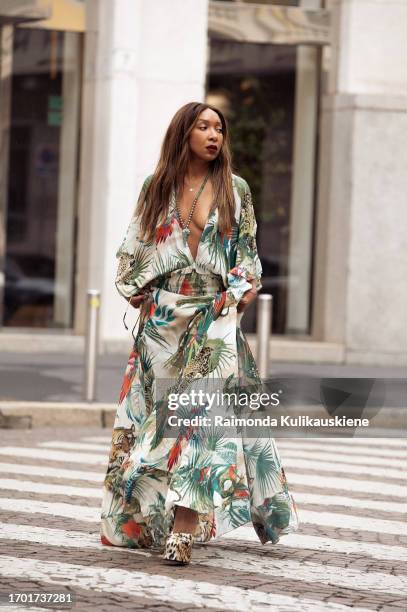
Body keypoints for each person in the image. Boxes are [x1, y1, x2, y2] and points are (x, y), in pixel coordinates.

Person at [100, 101, 299, 565]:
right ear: (183, 133)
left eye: (219, 128)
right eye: (203, 126)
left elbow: (247, 258)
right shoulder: (157, 187)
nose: (214, 135)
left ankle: (184, 529)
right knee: (158, 429)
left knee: (203, 422)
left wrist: (238, 296)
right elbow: (132, 251)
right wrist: (140, 291)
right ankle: (151, 519)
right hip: (163, 324)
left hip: (216, 318)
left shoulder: (236, 190)